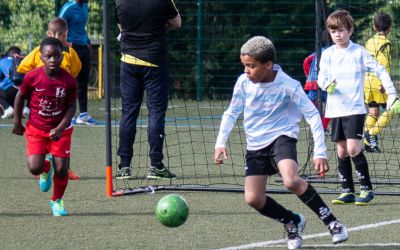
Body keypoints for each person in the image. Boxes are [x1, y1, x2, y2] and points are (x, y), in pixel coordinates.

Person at [214, 36, 348, 250]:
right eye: (244, 66)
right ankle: (292, 221)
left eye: (251, 66)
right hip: (255, 145)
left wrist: (320, 152)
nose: (246, 71)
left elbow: (313, 115)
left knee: (291, 181)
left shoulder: (288, 85)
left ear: (268, 65)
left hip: (281, 137)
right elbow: (231, 112)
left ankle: (333, 223)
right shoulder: (243, 82)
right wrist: (220, 142)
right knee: (253, 199)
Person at [317, 10, 400, 206]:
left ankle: (366, 189)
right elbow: (321, 77)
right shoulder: (327, 54)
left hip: (354, 109)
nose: (337, 34)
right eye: (333, 31)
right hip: (335, 109)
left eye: (341, 30)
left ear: (351, 30)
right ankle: (347, 191)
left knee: (354, 148)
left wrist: (392, 94)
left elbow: (380, 70)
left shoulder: (359, 52)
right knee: (341, 151)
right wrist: (326, 84)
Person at [114, 0, 181, 179]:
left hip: (128, 61)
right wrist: (158, 24)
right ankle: (156, 166)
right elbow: (177, 22)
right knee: (156, 113)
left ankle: (124, 167)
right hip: (155, 61)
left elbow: (121, 27)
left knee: (128, 113)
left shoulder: (119, 1)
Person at [12, 37, 77, 216]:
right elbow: (20, 97)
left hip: (61, 131)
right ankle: (45, 168)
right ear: (41, 57)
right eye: (49, 56)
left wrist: (61, 128)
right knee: (34, 167)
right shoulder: (33, 77)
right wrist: (17, 122)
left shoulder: (69, 81)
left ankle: (56, 201)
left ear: (62, 57)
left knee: (63, 169)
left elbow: (72, 107)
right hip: (36, 130)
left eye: (57, 56)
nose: (53, 60)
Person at [17, 17, 82, 180]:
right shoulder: (40, 52)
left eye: (61, 35)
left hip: (61, 103)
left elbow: (75, 70)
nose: (58, 38)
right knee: (40, 137)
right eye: (54, 34)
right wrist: (38, 75)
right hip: (43, 105)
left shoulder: (68, 53)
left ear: (66, 35)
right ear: (48, 34)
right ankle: (44, 165)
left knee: (64, 137)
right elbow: (22, 67)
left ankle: (66, 169)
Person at [59, 0, 96, 125]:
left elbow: (81, 28)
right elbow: (58, 26)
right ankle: (69, 115)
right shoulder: (68, 7)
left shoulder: (85, 6)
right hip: (70, 47)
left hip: (83, 47)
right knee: (69, 82)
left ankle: (83, 114)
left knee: (83, 82)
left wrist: (88, 42)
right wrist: (63, 44)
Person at [363, 13, 393, 153]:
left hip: (367, 81)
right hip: (379, 82)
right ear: (390, 28)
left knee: (373, 111)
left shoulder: (368, 41)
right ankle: (371, 133)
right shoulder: (386, 43)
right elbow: (383, 64)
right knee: (393, 108)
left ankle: (368, 143)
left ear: (374, 27)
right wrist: (384, 84)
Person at [303, 30, 331, 132]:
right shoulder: (333, 52)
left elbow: (306, 61)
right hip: (325, 83)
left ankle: (315, 124)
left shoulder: (317, 53)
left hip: (312, 82)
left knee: (311, 106)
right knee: (331, 106)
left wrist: (308, 75)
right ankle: (323, 126)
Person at [0, 46, 30, 119]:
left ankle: (7, 108)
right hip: (25, 90)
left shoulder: (2, 61)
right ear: (19, 54)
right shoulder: (24, 60)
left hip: (9, 89)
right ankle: (27, 109)